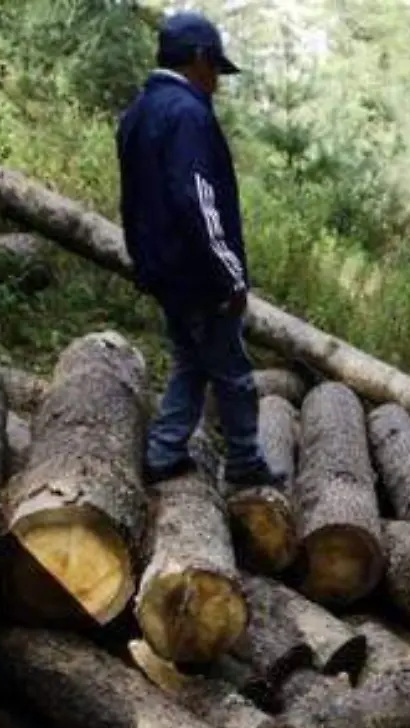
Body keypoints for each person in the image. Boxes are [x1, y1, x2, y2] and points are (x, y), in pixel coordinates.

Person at [118, 12, 280, 487]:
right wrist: (230, 275)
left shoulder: (139, 111)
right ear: (198, 59)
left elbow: (133, 199)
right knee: (232, 372)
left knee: (191, 361)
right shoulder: (187, 114)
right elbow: (198, 200)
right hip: (196, 270)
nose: (217, 83)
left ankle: (164, 450)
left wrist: (144, 261)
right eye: (215, 70)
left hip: (162, 266)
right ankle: (247, 463)